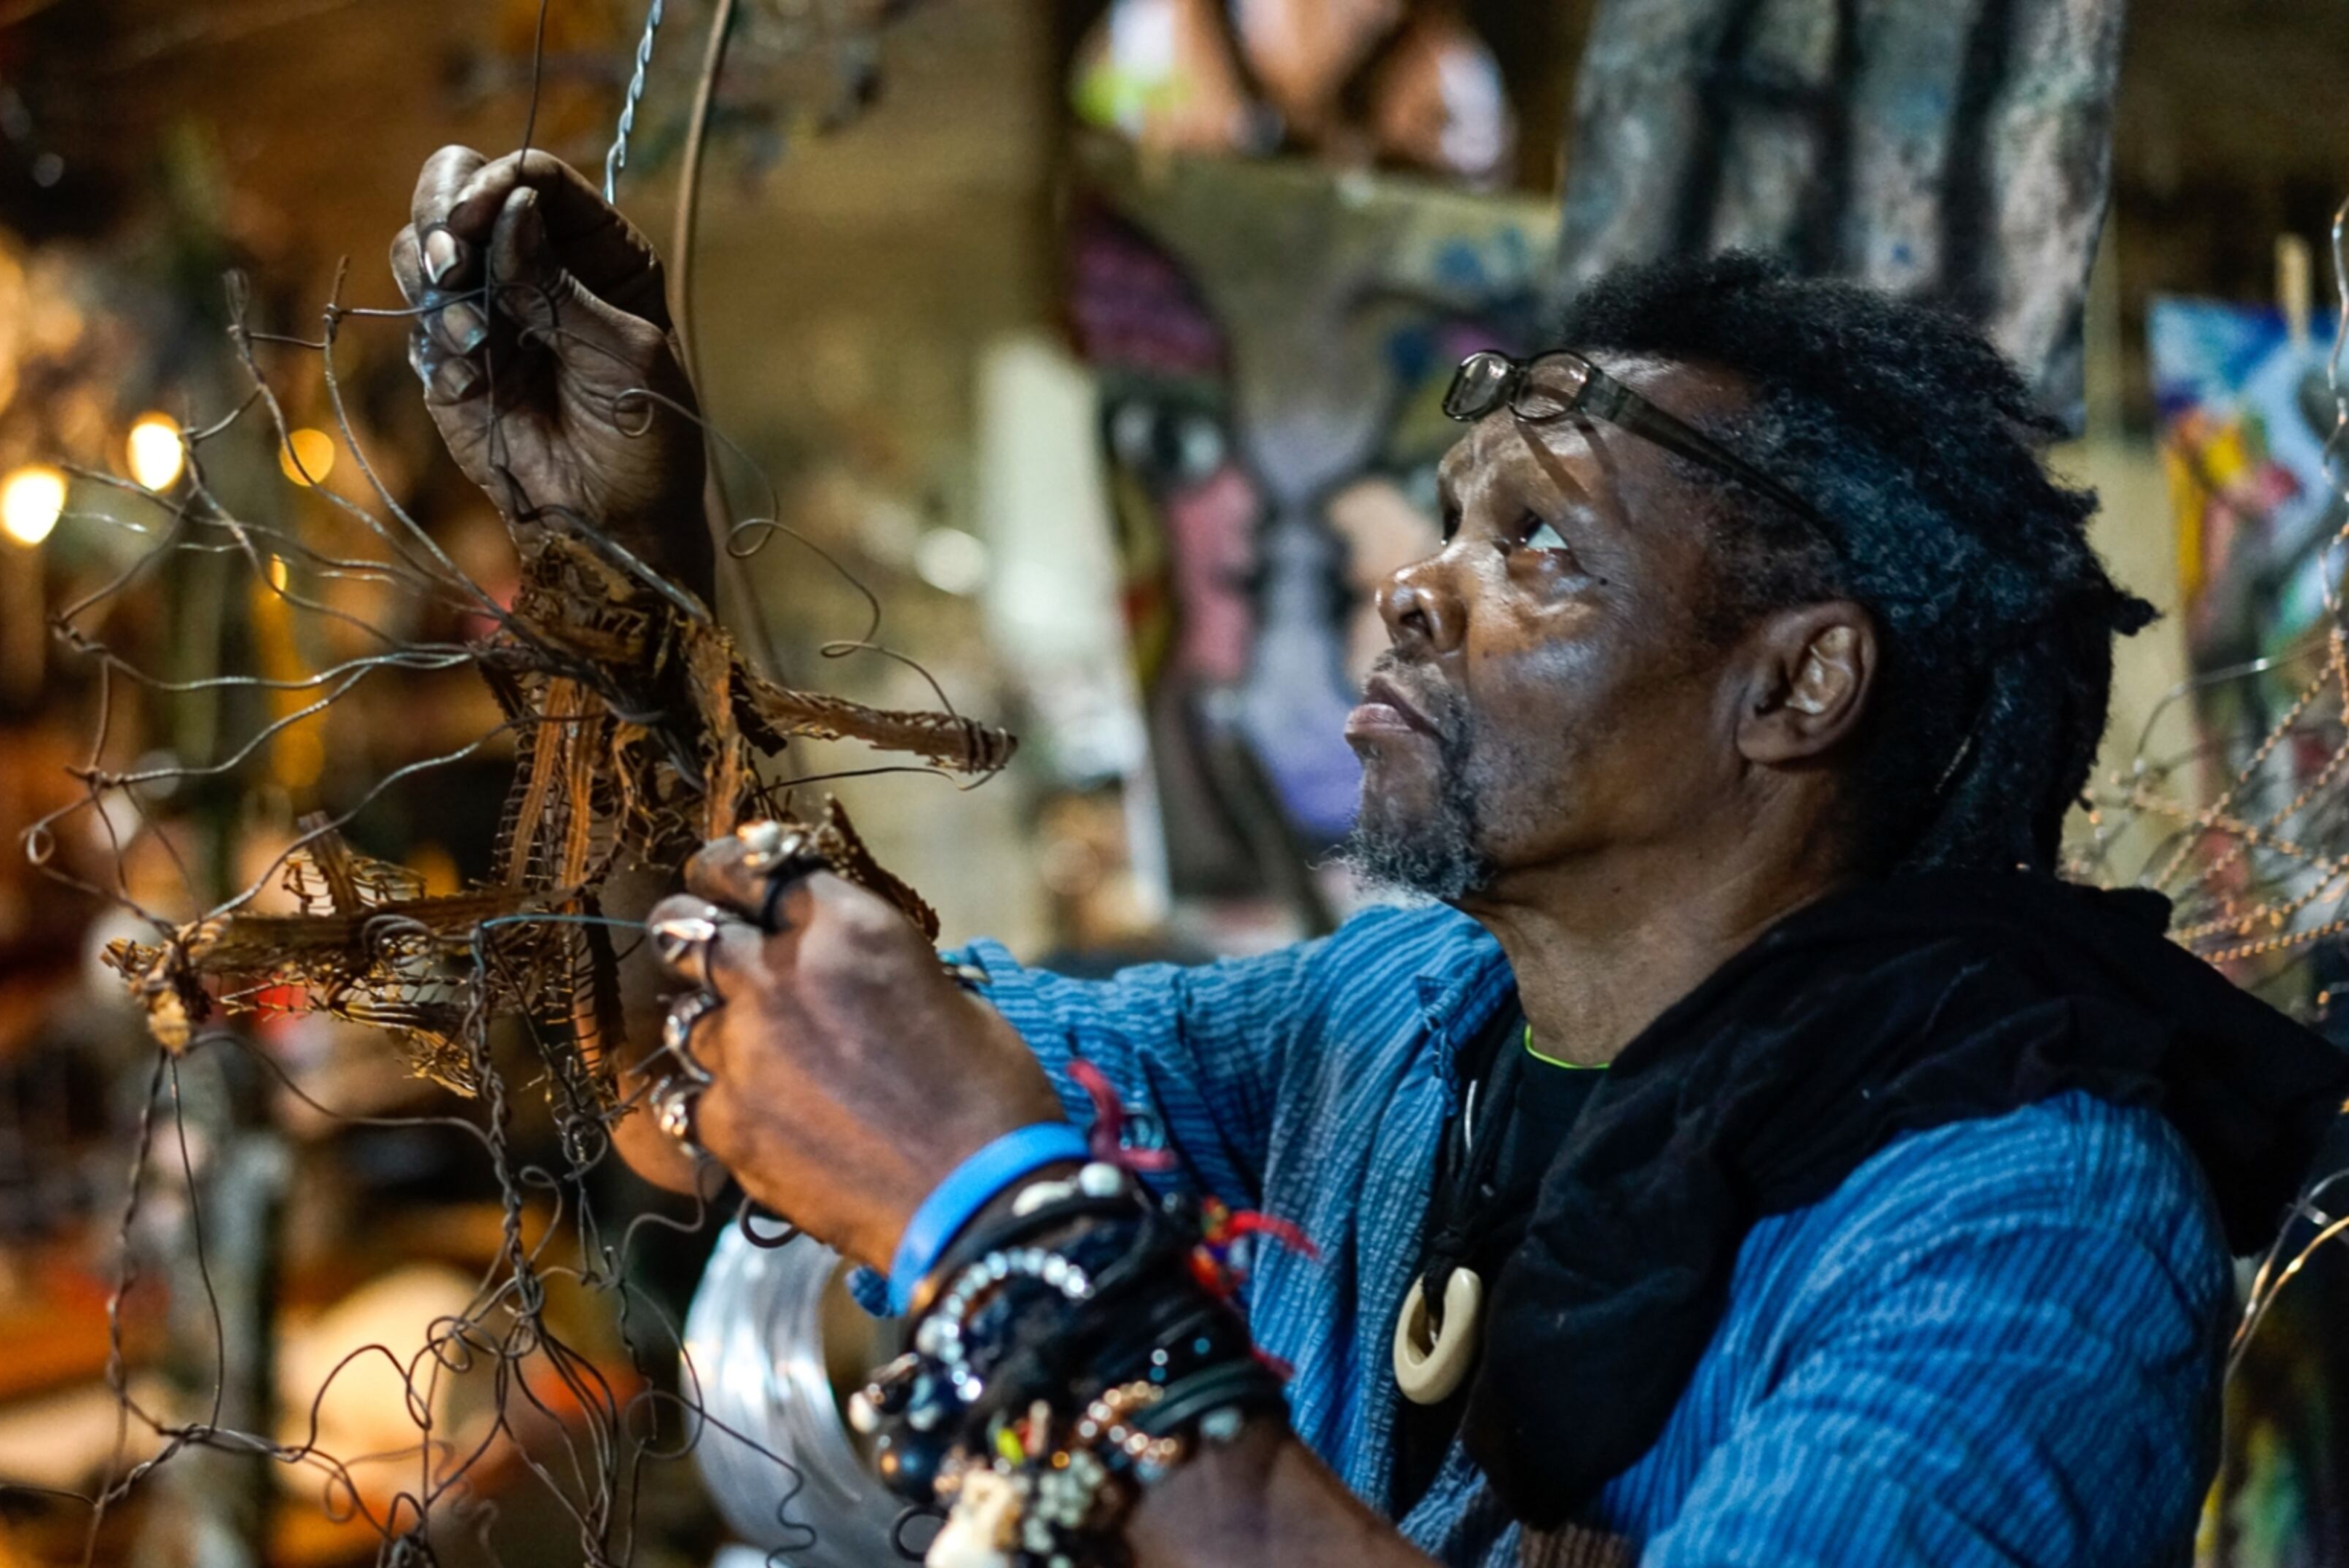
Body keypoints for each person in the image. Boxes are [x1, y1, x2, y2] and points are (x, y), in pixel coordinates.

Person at [391, 147, 2349, 1567]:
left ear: (1795, 685)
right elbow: (708, 1082)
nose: (1413, 588)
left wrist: (1014, 1240)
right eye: (1448, 522)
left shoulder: (2021, 1221)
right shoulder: (1401, 1024)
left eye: (1537, 546)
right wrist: (620, 571)